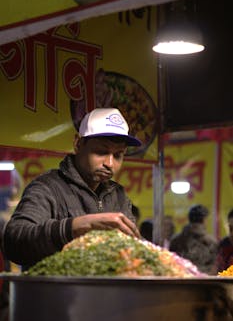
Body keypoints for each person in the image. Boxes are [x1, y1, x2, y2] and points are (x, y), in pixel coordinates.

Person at [2, 108, 142, 267]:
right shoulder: (47, 187)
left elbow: (134, 247)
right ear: (78, 144)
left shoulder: (118, 195)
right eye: (101, 151)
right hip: (57, 292)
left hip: (106, 291)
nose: (109, 164)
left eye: (118, 155)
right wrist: (72, 227)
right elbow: (13, 242)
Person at [169, 204, 218, 275]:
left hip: (182, 279)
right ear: (204, 220)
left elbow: (172, 263)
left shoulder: (176, 240)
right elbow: (215, 266)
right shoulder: (211, 241)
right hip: (206, 281)